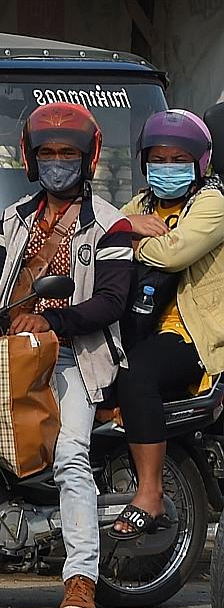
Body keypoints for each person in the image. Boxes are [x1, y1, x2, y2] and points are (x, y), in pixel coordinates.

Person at [0, 102, 135, 608]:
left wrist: (51, 322)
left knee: (71, 458)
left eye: (67, 153)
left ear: (88, 159)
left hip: (72, 360)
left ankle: (81, 577)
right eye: (47, 153)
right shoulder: (14, 218)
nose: (57, 161)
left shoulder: (112, 225)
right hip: (10, 353)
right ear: (30, 159)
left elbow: (110, 302)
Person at [110, 111, 224, 538]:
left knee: (137, 374)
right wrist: (125, 229)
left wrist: (129, 240)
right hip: (137, 323)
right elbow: (101, 232)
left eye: (178, 159)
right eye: (158, 159)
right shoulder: (141, 204)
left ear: (200, 162)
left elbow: (174, 253)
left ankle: (150, 493)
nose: (167, 167)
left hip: (191, 332)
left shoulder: (212, 203)